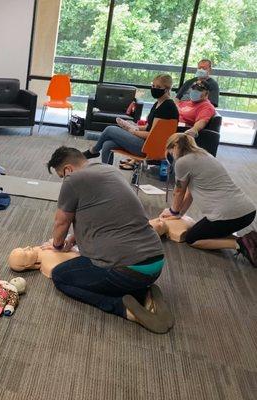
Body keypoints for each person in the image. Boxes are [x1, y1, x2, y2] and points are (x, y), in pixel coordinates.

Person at [45, 146, 173, 334]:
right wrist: (75, 238)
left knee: (61, 277)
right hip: (156, 262)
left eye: (61, 176)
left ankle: (123, 307)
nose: (64, 180)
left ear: (68, 170)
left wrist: (57, 245)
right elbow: (109, 214)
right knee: (111, 270)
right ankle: (143, 293)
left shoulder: (73, 179)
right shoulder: (110, 170)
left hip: (125, 271)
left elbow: (61, 222)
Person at [160, 134, 257, 265]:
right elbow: (191, 192)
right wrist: (179, 214)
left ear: (174, 147)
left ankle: (239, 244)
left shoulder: (182, 162)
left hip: (228, 216)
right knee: (207, 230)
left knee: (192, 238)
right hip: (248, 212)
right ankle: (250, 240)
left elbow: (178, 191)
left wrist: (173, 212)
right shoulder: (205, 156)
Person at [83, 74, 178, 166]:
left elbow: (152, 135)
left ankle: (93, 151)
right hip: (147, 143)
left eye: (158, 86)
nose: (154, 88)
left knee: (110, 129)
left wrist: (132, 131)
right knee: (107, 144)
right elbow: (149, 127)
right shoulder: (159, 103)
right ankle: (106, 173)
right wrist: (134, 127)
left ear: (167, 89)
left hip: (150, 147)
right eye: (153, 85)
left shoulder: (166, 107)